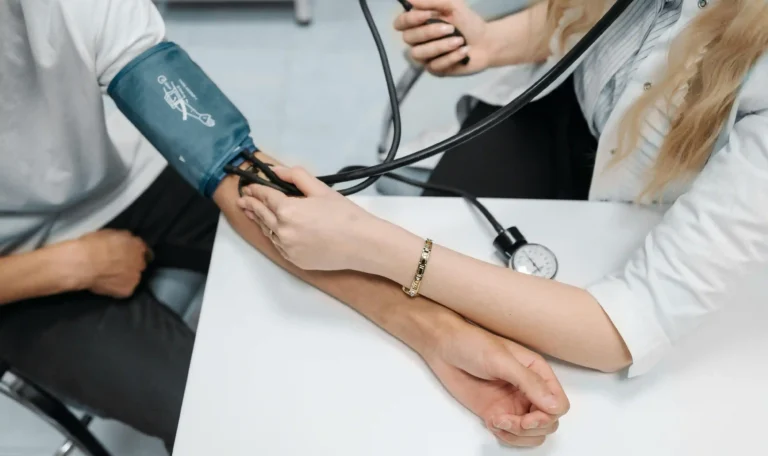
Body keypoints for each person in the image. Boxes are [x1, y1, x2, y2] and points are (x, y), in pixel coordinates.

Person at [0, 0, 569, 451]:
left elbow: (231, 166)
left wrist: (437, 333)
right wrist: (69, 266)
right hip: (19, 274)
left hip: (130, 177)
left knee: (314, 250)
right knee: (221, 425)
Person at [237, 0, 768, 416]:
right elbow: (607, 16)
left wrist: (365, 240)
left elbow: (626, 326)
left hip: (635, 214)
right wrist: (492, 42)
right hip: (555, 119)